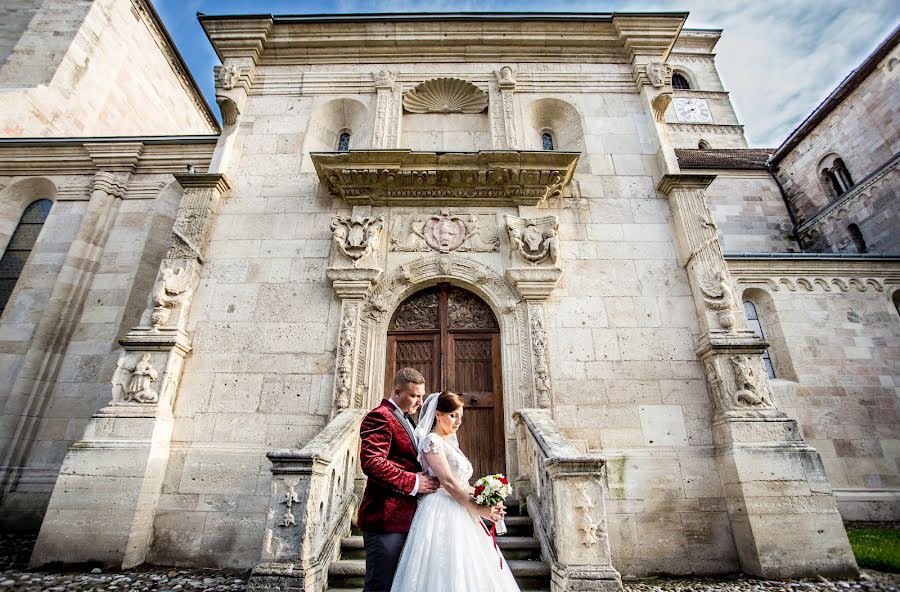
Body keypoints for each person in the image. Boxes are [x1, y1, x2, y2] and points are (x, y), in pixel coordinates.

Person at [390, 391, 520, 592]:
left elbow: (463, 483)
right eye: (453, 415)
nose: (458, 421)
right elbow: (448, 482)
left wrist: (487, 500)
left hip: (461, 508)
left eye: (460, 416)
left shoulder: (451, 444)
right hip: (440, 510)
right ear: (437, 414)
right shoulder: (431, 441)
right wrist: (478, 509)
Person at [358, 368, 440, 592]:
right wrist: (413, 482)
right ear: (397, 392)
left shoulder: (407, 420)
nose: (420, 402)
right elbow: (372, 462)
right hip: (385, 519)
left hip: (406, 518)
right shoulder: (380, 416)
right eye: (414, 396)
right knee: (379, 586)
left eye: (422, 396)